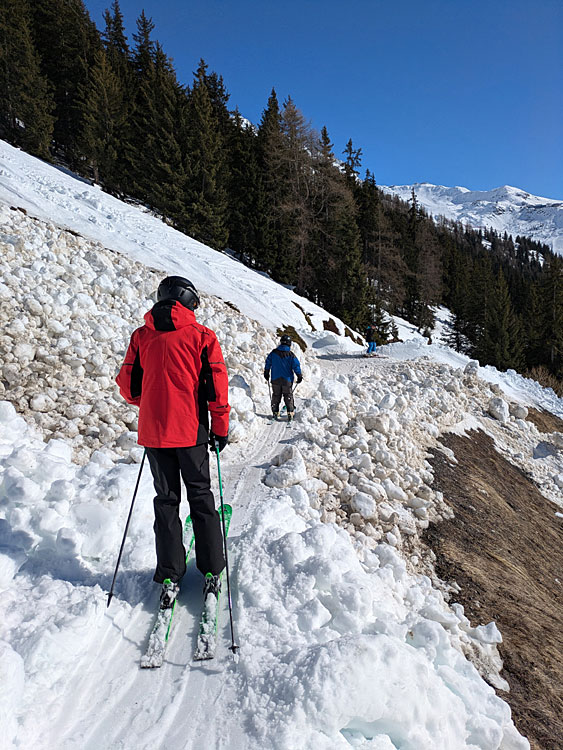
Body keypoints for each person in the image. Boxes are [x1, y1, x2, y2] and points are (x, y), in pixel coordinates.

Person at [116, 276, 230, 609]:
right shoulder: (202, 336)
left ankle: (170, 573)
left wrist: (152, 402)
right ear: (189, 301)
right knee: (200, 496)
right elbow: (216, 387)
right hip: (191, 431)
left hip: (154, 432)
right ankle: (211, 569)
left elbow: (128, 385)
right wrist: (220, 427)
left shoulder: (142, 336)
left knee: (166, 500)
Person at [264, 334, 302, 421]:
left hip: (275, 379)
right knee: (288, 395)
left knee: (276, 395)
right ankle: (290, 412)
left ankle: (275, 411)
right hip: (287, 380)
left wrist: (266, 372)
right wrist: (299, 376)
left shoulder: (273, 353)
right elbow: (296, 366)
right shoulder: (291, 355)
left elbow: (268, 362)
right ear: (289, 344)